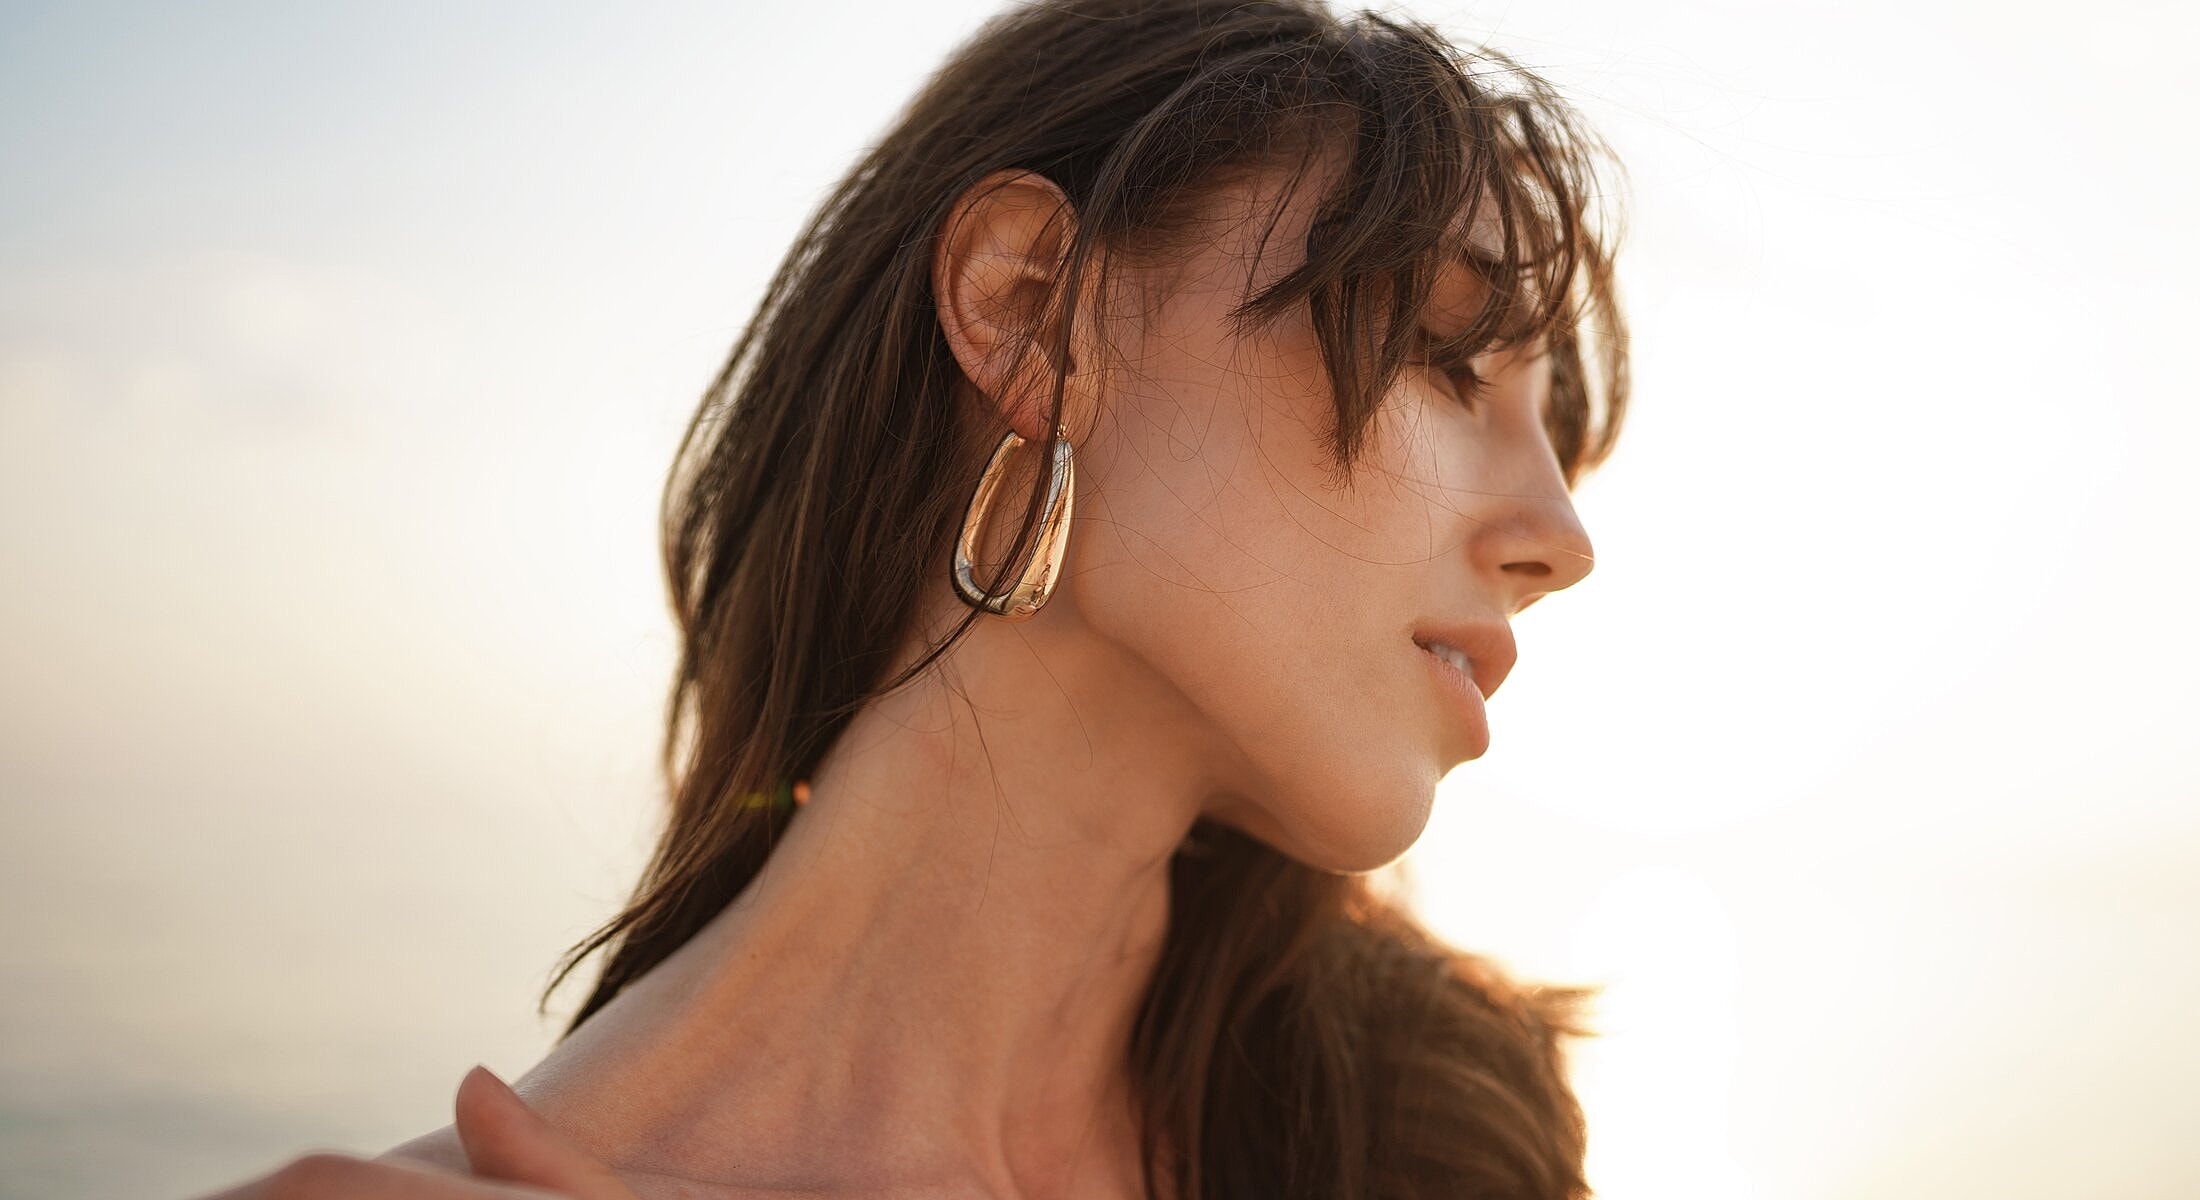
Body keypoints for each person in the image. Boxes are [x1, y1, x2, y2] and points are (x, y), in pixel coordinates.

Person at [199, 0, 1630, 1195]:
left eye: (1553, 433)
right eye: (1446, 355)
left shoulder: (1431, 1129)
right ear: (1034, 311)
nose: (1560, 541)